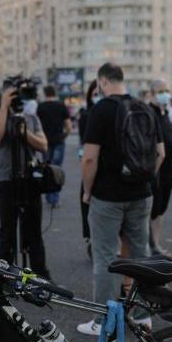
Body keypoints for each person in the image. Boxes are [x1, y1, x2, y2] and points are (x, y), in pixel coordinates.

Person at [78, 62, 164, 335]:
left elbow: (89, 158)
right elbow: (161, 153)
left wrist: (87, 190)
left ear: (102, 81)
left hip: (107, 196)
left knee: (105, 258)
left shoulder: (100, 110)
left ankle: (104, 321)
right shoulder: (145, 107)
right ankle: (142, 317)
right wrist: (144, 178)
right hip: (141, 194)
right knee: (141, 255)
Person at [0, 81, 50, 277]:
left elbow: (43, 145)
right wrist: (4, 107)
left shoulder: (31, 118)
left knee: (33, 233)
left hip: (30, 180)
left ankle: (41, 277)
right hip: (6, 181)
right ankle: (3, 278)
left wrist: (25, 132)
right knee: (7, 233)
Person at [149, 79, 172, 258]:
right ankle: (151, 247)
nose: (165, 94)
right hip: (155, 167)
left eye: (167, 90)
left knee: (161, 208)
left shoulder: (165, 112)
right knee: (153, 208)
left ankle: (156, 243)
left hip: (168, 167)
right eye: (161, 91)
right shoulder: (149, 113)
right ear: (152, 94)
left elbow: (170, 139)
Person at [36, 84, 72, 207]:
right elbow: (69, 126)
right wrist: (63, 136)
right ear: (54, 93)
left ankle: (48, 194)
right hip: (58, 142)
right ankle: (54, 198)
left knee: (46, 168)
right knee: (57, 169)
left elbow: (36, 126)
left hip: (45, 143)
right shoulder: (61, 106)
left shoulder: (40, 107)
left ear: (45, 94)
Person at [77, 80, 99, 257]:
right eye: (95, 94)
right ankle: (90, 237)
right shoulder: (86, 115)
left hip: (109, 169)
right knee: (86, 200)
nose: (98, 98)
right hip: (91, 165)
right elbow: (83, 143)